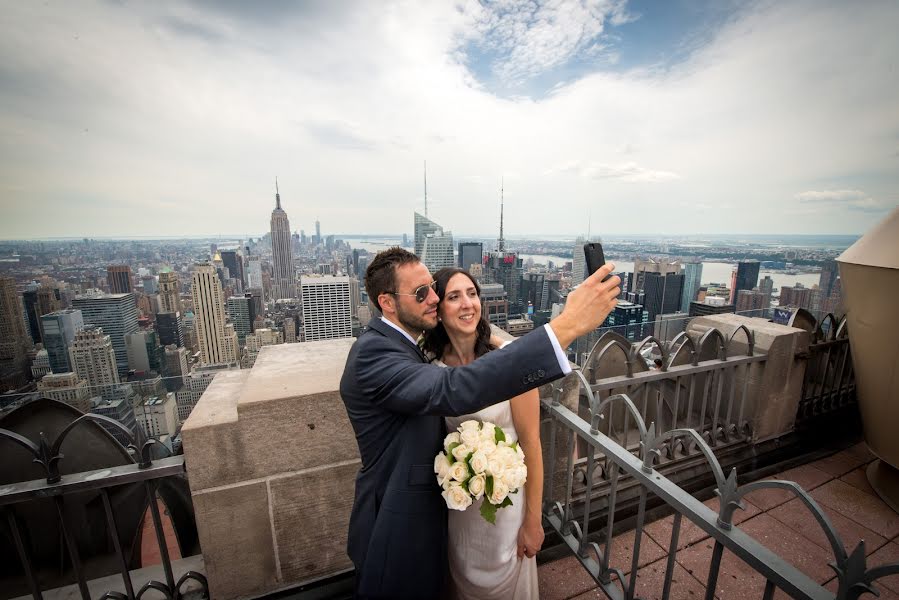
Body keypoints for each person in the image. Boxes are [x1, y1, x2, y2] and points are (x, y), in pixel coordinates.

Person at [340, 247, 620, 600]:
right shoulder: (374, 354)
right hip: (398, 526)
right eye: (423, 293)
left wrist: (498, 341)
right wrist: (566, 325)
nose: (435, 298)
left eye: (434, 289)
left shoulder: (407, 346)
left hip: (470, 519)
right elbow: (451, 388)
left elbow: (527, 436)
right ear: (388, 303)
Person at [421, 267, 542, 600]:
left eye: (472, 294)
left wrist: (533, 521)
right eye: (454, 296)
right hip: (462, 510)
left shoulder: (509, 363)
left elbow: (531, 443)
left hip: (508, 510)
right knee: (462, 575)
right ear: (439, 309)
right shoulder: (432, 371)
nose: (467, 304)